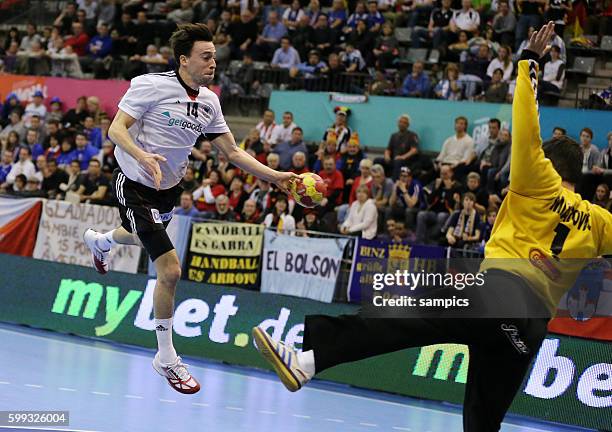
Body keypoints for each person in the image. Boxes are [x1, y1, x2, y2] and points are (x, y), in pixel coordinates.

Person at [251, 23, 612, 432]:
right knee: (482, 422)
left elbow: (527, 125)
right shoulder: (601, 222)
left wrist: (530, 62)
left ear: (548, 164)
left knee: (400, 311)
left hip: (498, 293)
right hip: (527, 332)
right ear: (579, 175)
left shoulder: (537, 179)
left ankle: (307, 361)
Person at [82, 24, 296, 395]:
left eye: (214, 56)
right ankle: (166, 357)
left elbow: (232, 152)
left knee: (140, 237)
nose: (213, 62)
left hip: (168, 190)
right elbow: (116, 129)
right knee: (170, 270)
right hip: (134, 183)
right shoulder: (150, 84)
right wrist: (140, 153)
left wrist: (275, 176)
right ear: (184, 60)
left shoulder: (210, 102)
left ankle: (101, 241)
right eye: (206, 56)